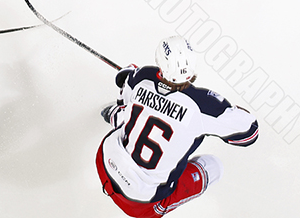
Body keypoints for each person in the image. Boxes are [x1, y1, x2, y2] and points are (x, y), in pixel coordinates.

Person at [95, 36, 258, 217]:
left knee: (130, 113)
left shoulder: (142, 76)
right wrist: (226, 110)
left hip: (105, 162)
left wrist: (129, 76)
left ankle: (115, 115)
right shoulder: (203, 106)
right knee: (214, 166)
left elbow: (126, 87)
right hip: (141, 204)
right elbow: (249, 133)